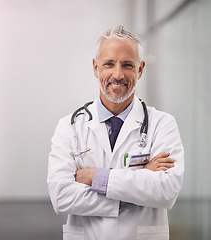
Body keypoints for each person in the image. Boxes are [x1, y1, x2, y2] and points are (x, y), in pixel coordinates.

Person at [47, 25, 184, 240]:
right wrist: (138, 186)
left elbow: (166, 191)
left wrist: (95, 177)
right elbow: (61, 197)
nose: (117, 75)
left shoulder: (162, 124)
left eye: (127, 65)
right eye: (109, 64)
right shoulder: (70, 127)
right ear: (96, 68)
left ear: (140, 70)